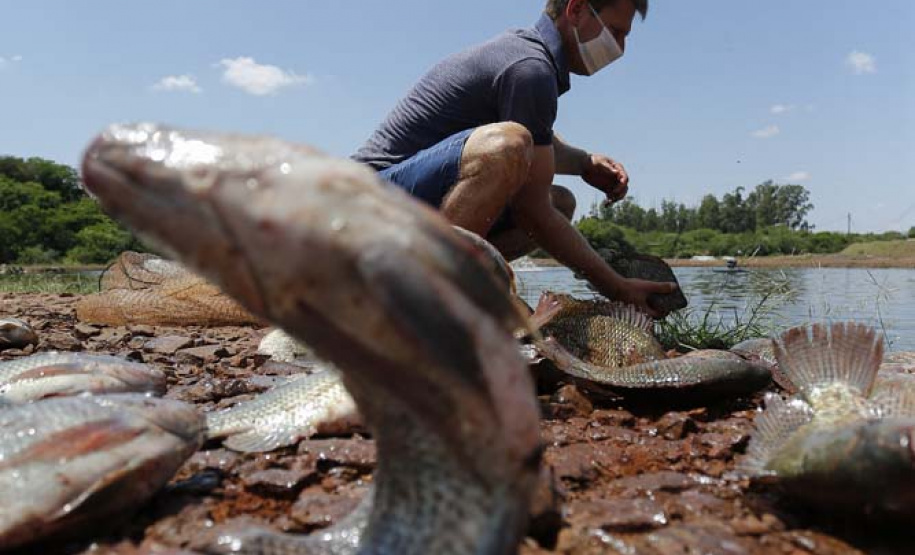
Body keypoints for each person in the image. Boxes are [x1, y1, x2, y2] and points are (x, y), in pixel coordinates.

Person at [353, 0, 678, 317]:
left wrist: (584, 163)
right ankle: (425, 298)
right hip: (362, 207)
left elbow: (537, 145)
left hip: (405, 208)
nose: (619, 48)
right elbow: (530, 206)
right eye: (615, 32)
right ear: (576, 9)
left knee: (560, 202)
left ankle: (445, 281)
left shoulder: (531, 59)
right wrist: (617, 288)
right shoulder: (529, 69)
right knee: (509, 148)